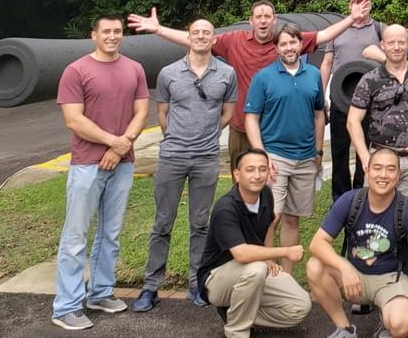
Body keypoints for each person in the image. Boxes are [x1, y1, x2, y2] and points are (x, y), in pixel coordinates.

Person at [130, 0, 365, 169]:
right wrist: (159, 30)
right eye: (258, 16)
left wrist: (351, 19)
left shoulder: (285, 42)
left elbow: (324, 35)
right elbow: (197, 41)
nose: (263, 20)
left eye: (267, 16)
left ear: (274, 19)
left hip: (276, 130)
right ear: (251, 20)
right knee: (241, 178)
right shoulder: (234, 41)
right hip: (242, 126)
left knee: (273, 182)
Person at [51, 15, 149, 331]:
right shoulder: (76, 71)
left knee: (111, 232)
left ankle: (101, 293)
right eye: (105, 31)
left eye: (117, 31)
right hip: (86, 164)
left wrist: (122, 147)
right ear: (93, 35)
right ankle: (66, 306)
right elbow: (73, 120)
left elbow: (142, 112)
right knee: (75, 236)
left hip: (123, 163)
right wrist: (112, 143)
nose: (112, 36)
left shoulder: (134, 68)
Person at [133, 19, 237, 312]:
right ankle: (151, 286)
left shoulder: (226, 73)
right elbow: (162, 113)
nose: (201, 36)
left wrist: (208, 133)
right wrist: (177, 138)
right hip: (173, 156)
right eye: (196, 32)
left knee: (200, 224)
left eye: (207, 32)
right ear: (188, 37)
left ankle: (196, 282)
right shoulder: (169, 73)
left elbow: (227, 111)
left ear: (214, 39)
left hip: (206, 158)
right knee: (162, 222)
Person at [307, 147, 408, 338]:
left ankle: (388, 325)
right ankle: (345, 330)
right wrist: (344, 267)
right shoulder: (350, 201)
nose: (383, 175)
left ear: (398, 175)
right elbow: (317, 243)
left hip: (392, 280)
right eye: (377, 168)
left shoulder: (407, 212)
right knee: (315, 266)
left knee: (400, 324)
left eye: (391, 169)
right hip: (354, 276)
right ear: (367, 170)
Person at [196, 148, 312, 338]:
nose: (257, 176)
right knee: (257, 269)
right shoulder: (225, 208)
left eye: (262, 169)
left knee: (300, 305)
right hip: (216, 278)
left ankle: (236, 312)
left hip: (250, 271)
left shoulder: (266, 193)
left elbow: (268, 227)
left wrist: (269, 259)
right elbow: (241, 254)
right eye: (250, 170)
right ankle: (237, 331)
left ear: (269, 172)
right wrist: (284, 252)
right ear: (236, 174)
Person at [243, 24, 325, 273]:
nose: (289, 48)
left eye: (293, 42)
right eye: (284, 43)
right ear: (276, 48)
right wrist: (262, 156)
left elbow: (319, 115)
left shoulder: (313, 74)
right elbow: (251, 118)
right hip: (275, 157)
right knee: (272, 218)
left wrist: (319, 152)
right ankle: (268, 267)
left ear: (301, 44)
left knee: (292, 218)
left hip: (305, 157)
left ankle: (286, 275)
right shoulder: (263, 77)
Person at [347, 24, 408, 211]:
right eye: (391, 42)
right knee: (375, 212)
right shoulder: (370, 79)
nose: (396, 47)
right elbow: (353, 121)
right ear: (382, 45)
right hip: (379, 157)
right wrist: (365, 157)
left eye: (401, 42)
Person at [322, 0, 389, 200]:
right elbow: (326, 63)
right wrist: (321, 94)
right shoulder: (337, 30)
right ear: (350, 4)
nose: (361, 5)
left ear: (370, 3)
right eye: (356, 1)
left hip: (373, 101)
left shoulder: (380, 29)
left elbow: (394, 61)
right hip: (341, 99)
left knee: (368, 149)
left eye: (365, 1)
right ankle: (340, 197)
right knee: (339, 151)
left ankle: (362, 192)